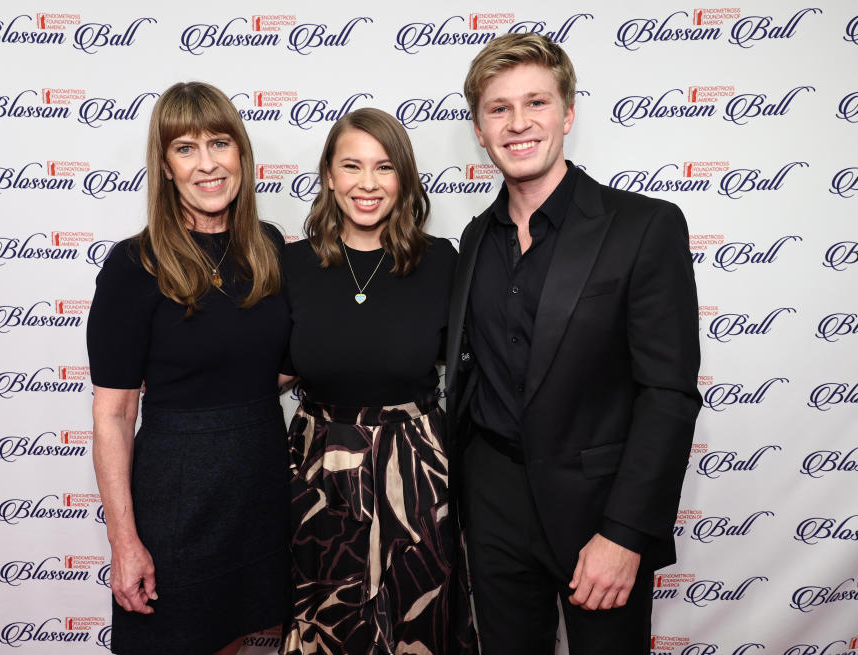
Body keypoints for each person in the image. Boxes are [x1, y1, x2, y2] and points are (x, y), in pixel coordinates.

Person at [445, 34, 701, 654]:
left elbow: (666, 394)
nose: (518, 123)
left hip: (599, 510)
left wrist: (625, 533)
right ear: (480, 130)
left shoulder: (643, 226)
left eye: (536, 102)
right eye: (498, 108)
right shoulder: (475, 238)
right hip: (493, 503)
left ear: (568, 112)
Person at [87, 81, 291, 655]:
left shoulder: (268, 247)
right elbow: (114, 413)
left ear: (241, 154)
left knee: (253, 639)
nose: (207, 164)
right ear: (165, 164)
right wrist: (124, 540)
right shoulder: (135, 263)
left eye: (220, 143)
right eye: (186, 148)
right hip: (178, 495)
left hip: (261, 483)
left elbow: (275, 366)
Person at [280, 107, 477, 655]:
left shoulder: (442, 263)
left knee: (418, 625)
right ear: (328, 175)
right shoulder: (291, 266)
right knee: (326, 625)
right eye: (352, 166)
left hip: (416, 472)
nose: (367, 184)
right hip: (320, 473)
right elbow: (258, 366)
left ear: (404, 179)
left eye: (384, 167)